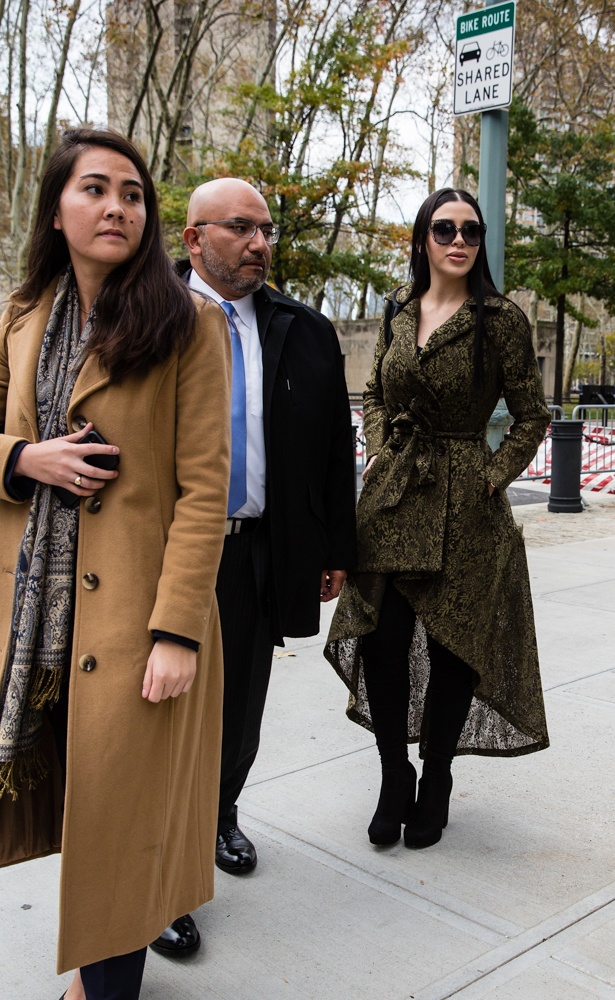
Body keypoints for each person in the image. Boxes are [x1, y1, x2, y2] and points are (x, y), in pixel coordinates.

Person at [0, 128, 232, 1000]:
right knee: (73, 807)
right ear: (57, 209)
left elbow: (205, 488)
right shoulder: (22, 317)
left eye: (133, 194)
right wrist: (25, 458)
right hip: (32, 621)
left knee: (122, 829)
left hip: (138, 621)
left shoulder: (188, 322)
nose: (117, 207)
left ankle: (101, 991)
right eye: (95, 189)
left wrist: (176, 631)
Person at [150, 177, 357, 956]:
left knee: (239, 711)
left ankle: (220, 815)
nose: (260, 244)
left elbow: (336, 448)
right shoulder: (146, 318)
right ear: (195, 238)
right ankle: (161, 877)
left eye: (266, 229)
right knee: (165, 719)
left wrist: (336, 548)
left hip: (262, 549)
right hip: (167, 554)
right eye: (241, 229)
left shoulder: (301, 329)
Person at [325, 187, 551, 850]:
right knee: (383, 639)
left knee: (454, 649)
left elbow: (532, 416)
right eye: (444, 228)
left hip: (466, 507)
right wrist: (376, 445)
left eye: (471, 232)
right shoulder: (396, 307)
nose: (458, 241)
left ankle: (438, 777)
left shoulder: (499, 319)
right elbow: (373, 391)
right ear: (423, 236)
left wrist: (489, 476)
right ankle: (393, 774)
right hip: (396, 498)